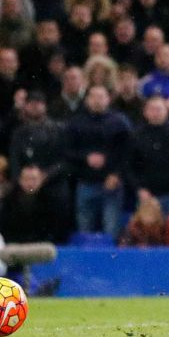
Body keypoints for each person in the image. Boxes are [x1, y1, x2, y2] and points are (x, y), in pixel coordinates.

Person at [64, 85, 132, 237]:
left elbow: (127, 153)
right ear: (87, 100)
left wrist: (116, 174)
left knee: (111, 229)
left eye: (101, 97)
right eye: (93, 96)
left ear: (108, 99)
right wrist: (86, 157)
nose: (97, 101)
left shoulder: (119, 122)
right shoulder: (76, 122)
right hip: (85, 182)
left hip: (112, 183)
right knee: (85, 228)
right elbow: (67, 150)